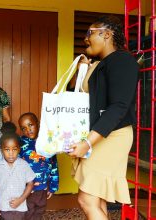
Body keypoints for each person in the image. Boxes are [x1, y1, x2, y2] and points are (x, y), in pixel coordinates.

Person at [68, 15, 139, 220]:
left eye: (89, 33)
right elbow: (78, 98)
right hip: (98, 134)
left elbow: (119, 106)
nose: (85, 39)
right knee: (96, 199)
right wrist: (80, 72)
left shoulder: (122, 60)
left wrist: (88, 143)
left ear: (106, 34)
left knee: (86, 199)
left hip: (112, 135)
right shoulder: (98, 65)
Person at [18, 112, 59, 220]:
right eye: (24, 128)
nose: (28, 130)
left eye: (30, 125)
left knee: (40, 209)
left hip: (43, 187)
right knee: (28, 211)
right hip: (27, 188)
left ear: (38, 123)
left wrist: (53, 186)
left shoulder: (47, 142)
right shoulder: (20, 144)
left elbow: (54, 165)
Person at [0, 125, 35, 220]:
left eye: (14, 149)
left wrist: (21, 199)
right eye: (7, 149)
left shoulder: (24, 165)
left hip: (20, 208)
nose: (11, 153)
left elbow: (30, 184)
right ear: (1, 150)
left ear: (19, 150)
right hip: (2, 208)